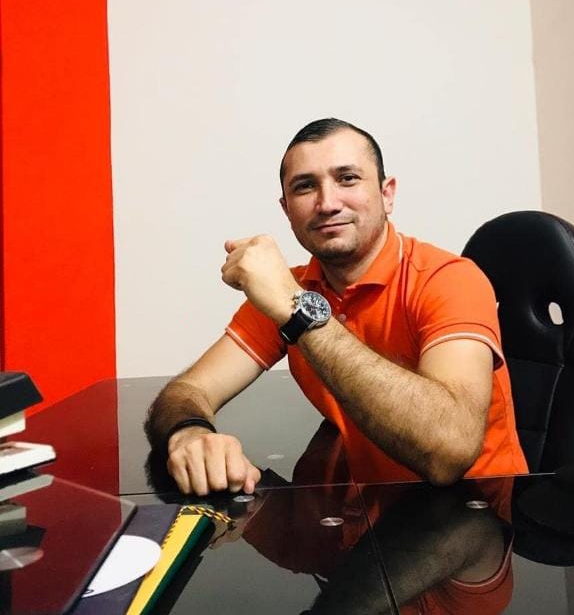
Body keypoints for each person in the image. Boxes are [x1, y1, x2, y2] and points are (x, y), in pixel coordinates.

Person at [145, 117, 528, 496]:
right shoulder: (288, 289)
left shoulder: (449, 279)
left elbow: (448, 454)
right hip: (372, 509)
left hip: (476, 512)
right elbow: (187, 390)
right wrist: (189, 433)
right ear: (286, 210)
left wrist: (297, 310)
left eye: (347, 178)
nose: (327, 204)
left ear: (387, 194)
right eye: (305, 186)